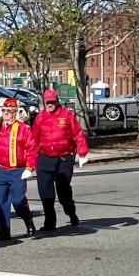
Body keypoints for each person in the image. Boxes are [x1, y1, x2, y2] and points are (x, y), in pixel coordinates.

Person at [29, 88, 88, 232]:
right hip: (45, 157)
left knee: (63, 191)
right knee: (45, 190)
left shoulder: (67, 115)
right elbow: (33, 140)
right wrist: (29, 162)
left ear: (57, 101)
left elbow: (78, 134)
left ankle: (70, 212)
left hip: (64, 158)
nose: (50, 105)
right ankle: (50, 221)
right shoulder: (40, 118)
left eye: (52, 102)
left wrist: (82, 153)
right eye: (47, 102)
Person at [0, 97, 37, 241]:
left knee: (18, 201)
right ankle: (4, 232)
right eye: (4, 110)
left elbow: (31, 149)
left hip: (18, 171)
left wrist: (29, 167)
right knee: (1, 202)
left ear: (15, 112)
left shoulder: (23, 129)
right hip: (0, 170)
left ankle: (28, 219)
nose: (5, 113)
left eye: (9, 111)